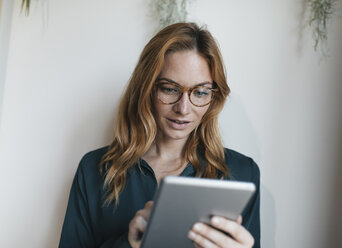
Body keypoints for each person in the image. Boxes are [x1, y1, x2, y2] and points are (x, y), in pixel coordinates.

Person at [59, 22, 260, 248]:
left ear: (214, 97)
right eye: (170, 89)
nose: (183, 108)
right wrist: (129, 243)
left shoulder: (242, 172)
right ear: (147, 88)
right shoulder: (94, 170)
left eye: (201, 92)